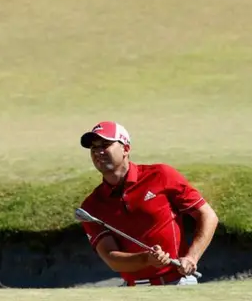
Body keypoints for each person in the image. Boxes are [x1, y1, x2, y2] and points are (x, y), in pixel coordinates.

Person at [78, 121, 219, 286]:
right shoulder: (91, 207)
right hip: (134, 290)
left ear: (126, 148)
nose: (98, 151)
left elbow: (207, 215)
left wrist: (191, 257)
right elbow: (111, 258)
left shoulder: (161, 175)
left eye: (105, 144)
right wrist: (147, 259)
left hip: (179, 282)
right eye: (93, 148)